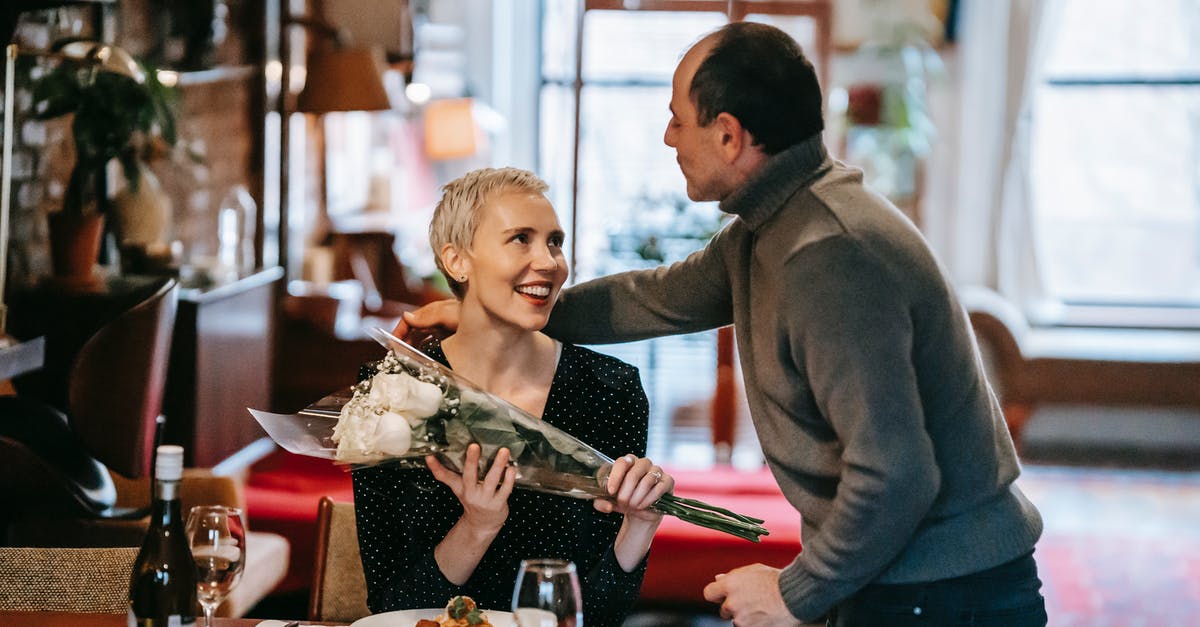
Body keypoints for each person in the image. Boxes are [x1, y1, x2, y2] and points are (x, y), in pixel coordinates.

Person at [395, 22, 1047, 627]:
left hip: (946, 594)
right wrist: (495, 308)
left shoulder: (827, 257)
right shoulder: (769, 231)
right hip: (907, 580)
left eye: (678, 121)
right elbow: (647, 299)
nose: (669, 139)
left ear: (730, 136)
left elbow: (897, 475)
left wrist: (793, 591)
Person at [353, 167, 673, 627]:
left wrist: (640, 525)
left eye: (555, 241)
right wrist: (477, 527)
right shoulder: (391, 394)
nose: (549, 262)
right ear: (457, 261)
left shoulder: (610, 391)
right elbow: (390, 608)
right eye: (520, 238)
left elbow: (601, 618)